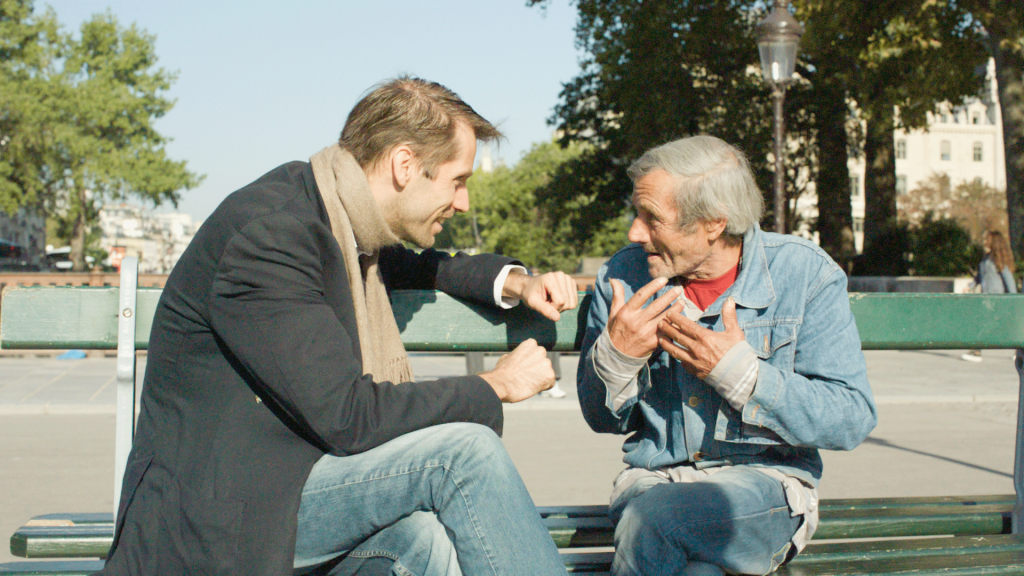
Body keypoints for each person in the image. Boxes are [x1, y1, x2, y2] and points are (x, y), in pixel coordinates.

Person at [98, 77, 578, 576]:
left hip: (290, 485)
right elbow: (348, 415)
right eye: (458, 181)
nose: (463, 203)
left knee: (419, 541)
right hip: (223, 517)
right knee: (463, 454)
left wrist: (518, 283)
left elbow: (422, 267)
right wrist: (495, 384)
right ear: (404, 165)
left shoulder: (340, 220)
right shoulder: (273, 235)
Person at [577, 135, 877, 576]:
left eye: (652, 218)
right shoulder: (623, 276)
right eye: (636, 214)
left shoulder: (805, 273)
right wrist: (618, 357)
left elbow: (851, 417)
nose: (634, 233)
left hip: (767, 493)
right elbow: (602, 420)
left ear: (714, 223)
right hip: (654, 481)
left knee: (658, 519)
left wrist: (745, 378)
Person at [962, 230, 1017, 362]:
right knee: (981, 322)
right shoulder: (986, 258)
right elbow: (979, 277)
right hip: (985, 298)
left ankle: (977, 351)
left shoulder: (999, 260)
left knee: (1002, 325)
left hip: (996, 299)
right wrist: (970, 286)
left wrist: (1014, 300)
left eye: (987, 239)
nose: (985, 242)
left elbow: (1009, 280)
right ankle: (976, 351)